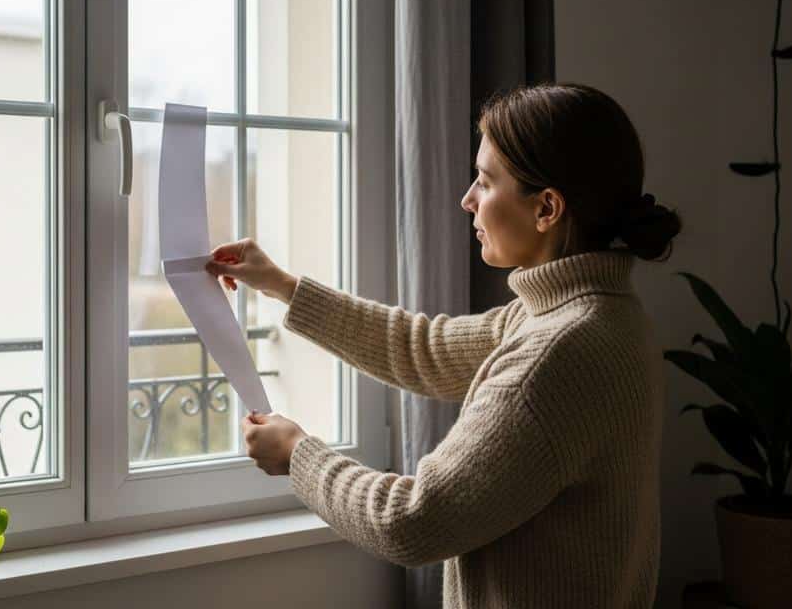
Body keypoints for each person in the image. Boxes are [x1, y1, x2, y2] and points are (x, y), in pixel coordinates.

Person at [205, 83, 679, 609]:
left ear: (546, 208)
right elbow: (421, 348)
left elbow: (410, 521)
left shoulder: (559, 353)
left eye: (485, 181)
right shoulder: (595, 314)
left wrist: (298, 455)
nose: (467, 199)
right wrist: (282, 285)